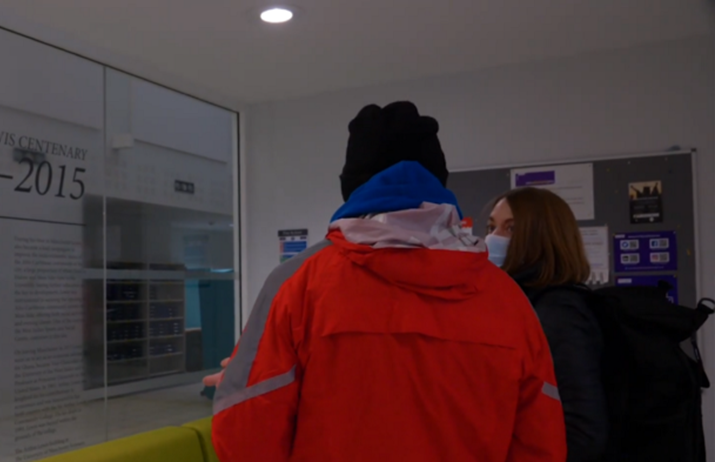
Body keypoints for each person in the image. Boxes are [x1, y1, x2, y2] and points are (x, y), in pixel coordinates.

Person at [211, 102, 566, 462]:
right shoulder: (508, 299)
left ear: (352, 187)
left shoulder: (299, 282)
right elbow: (541, 440)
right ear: (438, 182)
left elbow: (244, 432)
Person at [486, 187, 608, 462]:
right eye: (491, 227)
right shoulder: (522, 304)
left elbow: (583, 432)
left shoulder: (557, 312)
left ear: (542, 238)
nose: (493, 239)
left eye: (511, 229)